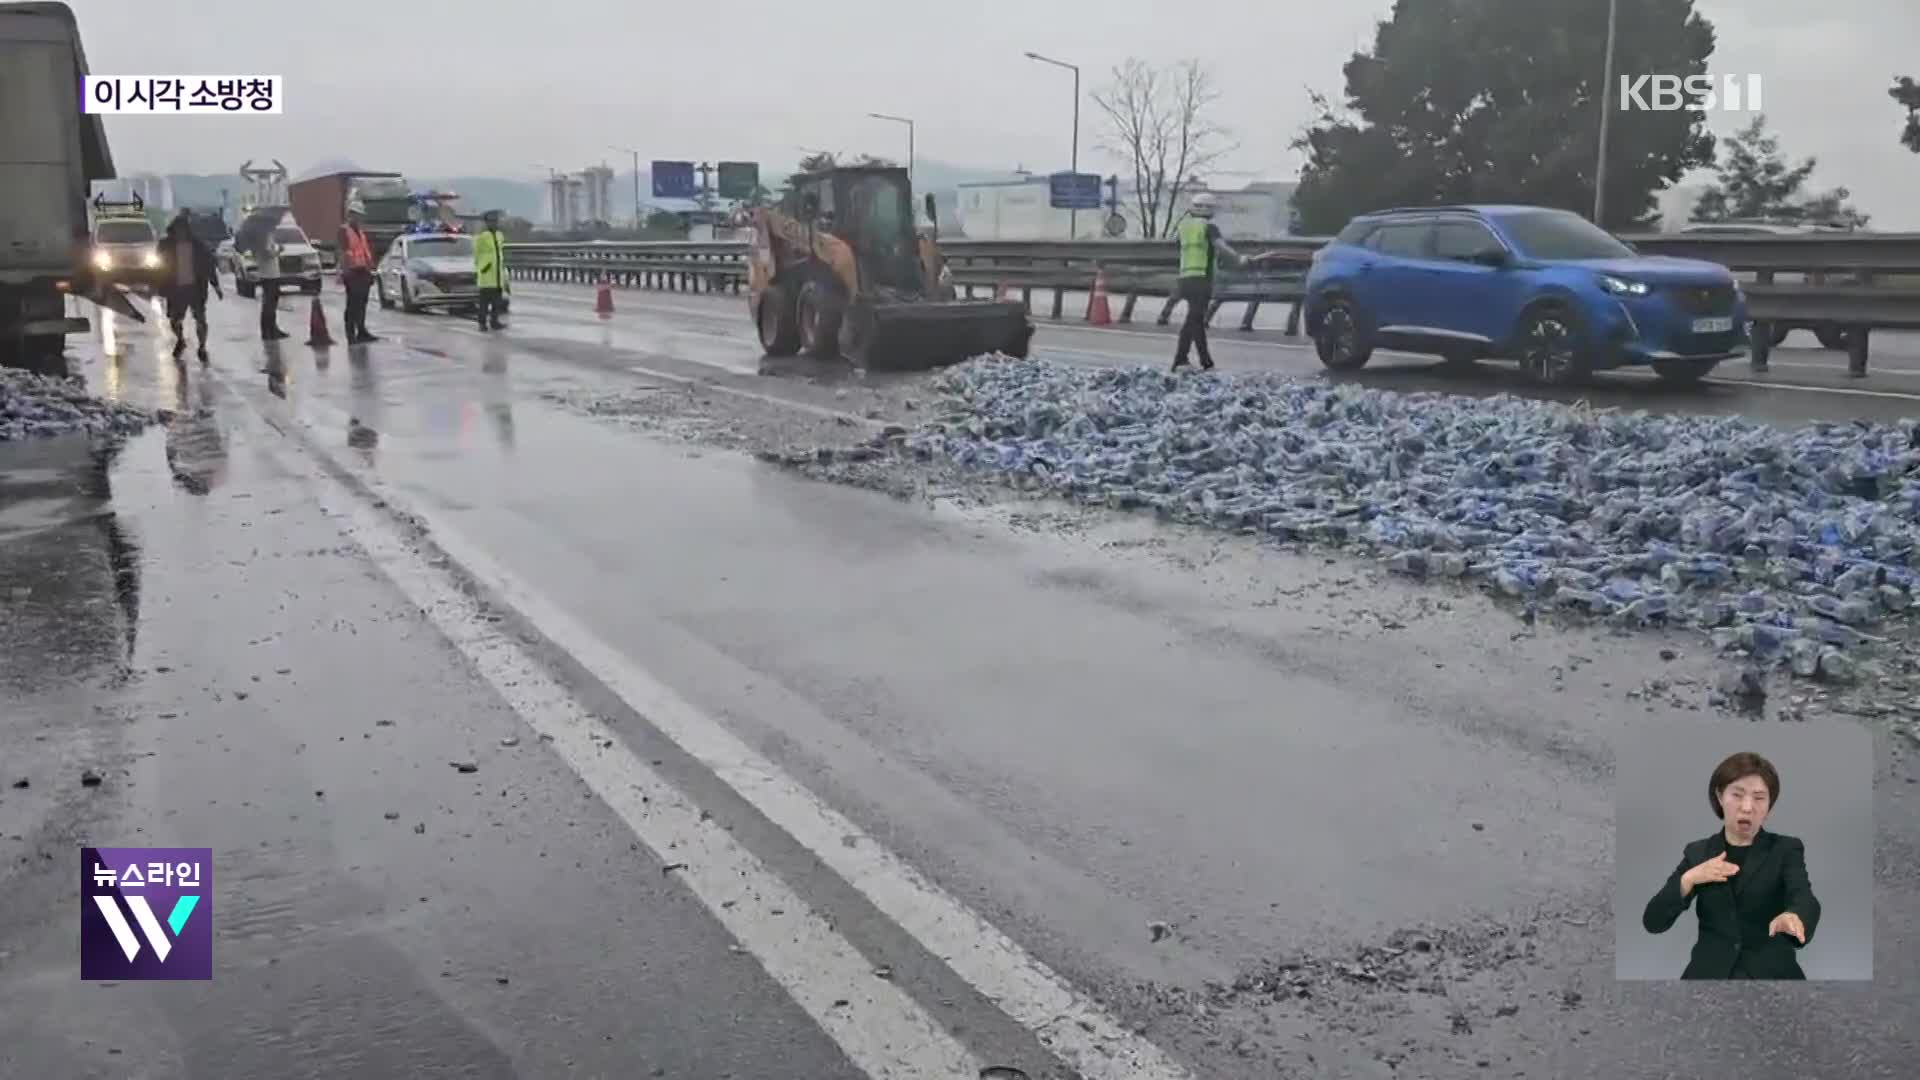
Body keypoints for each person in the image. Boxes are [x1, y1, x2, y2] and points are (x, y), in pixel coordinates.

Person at [1641, 751, 1821, 979]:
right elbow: (1653, 921)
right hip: (1707, 978)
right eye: (1737, 795)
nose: (1747, 807)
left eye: (1759, 797)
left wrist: (1796, 916)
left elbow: (1804, 898)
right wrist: (1688, 879)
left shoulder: (1786, 849)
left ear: (1769, 805)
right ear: (1719, 796)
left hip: (1773, 977)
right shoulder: (1698, 852)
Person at [1171, 192, 1242, 372]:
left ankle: (1192, 361)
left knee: (1193, 321)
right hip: (1201, 279)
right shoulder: (1209, 228)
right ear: (1211, 210)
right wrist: (1239, 258)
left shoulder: (1183, 227)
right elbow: (1221, 247)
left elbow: (1175, 245)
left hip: (1184, 279)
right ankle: (1193, 361)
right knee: (1196, 322)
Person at [155, 209, 223, 361]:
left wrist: (216, 285)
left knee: (200, 318)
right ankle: (180, 340)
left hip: (195, 288)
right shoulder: (166, 245)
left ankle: (202, 346)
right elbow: (158, 266)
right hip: (175, 289)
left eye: (184, 230)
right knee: (174, 320)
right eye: (178, 230)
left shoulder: (198, 246)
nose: (181, 233)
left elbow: (208, 266)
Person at [338, 200, 380, 343]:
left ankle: (361, 331)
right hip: (352, 271)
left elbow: (364, 251)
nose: (359, 218)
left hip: (363, 271)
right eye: (357, 215)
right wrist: (345, 271)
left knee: (362, 302)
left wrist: (370, 268)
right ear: (350, 215)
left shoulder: (360, 232)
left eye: (360, 216)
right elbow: (343, 252)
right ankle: (350, 334)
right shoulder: (344, 231)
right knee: (352, 304)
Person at [473, 209, 508, 331]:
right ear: (486, 223)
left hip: (497, 274)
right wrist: (481, 268)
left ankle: (495, 321)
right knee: (484, 303)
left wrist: (504, 276)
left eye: (495, 221)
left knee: (496, 302)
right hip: (486, 274)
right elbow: (476, 254)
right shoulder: (481, 237)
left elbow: (500, 253)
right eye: (491, 221)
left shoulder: (499, 235)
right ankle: (482, 323)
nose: (494, 223)